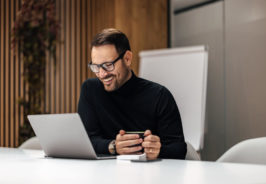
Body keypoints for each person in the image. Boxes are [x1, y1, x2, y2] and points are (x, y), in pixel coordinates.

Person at [78, 28, 187, 160]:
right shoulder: (90, 89)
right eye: (96, 66)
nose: (102, 74)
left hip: (149, 176)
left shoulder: (159, 95)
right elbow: (85, 141)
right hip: (103, 174)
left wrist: (158, 150)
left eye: (108, 65)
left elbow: (179, 149)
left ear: (127, 58)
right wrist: (113, 146)